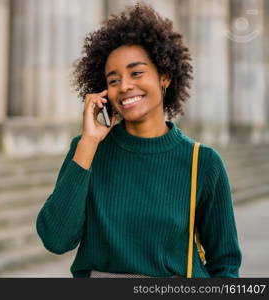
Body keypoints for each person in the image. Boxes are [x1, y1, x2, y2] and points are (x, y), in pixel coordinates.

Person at [36, 2, 242, 278]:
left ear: (164, 76)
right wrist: (88, 143)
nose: (125, 86)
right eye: (113, 79)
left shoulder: (203, 162)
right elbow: (56, 239)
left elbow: (226, 264)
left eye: (136, 73)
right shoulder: (87, 150)